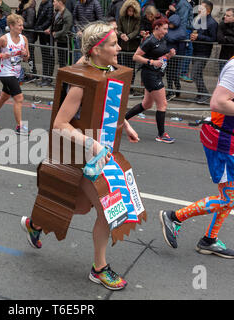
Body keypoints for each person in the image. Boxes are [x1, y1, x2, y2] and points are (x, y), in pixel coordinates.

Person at [20, 22, 140, 291]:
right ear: (97, 50)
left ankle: (34, 224)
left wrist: (126, 125)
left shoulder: (109, 71)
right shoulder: (81, 84)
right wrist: (91, 144)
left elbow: (110, 107)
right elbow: (60, 124)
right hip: (81, 157)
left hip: (102, 155)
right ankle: (99, 268)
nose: (119, 47)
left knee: (80, 207)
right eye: (113, 44)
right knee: (108, 212)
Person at [160, 17, 234, 259]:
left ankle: (209, 239)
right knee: (230, 196)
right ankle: (174, 217)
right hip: (225, 140)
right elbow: (218, 103)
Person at [125, 16, 176, 143]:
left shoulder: (161, 39)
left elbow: (161, 58)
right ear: (156, 28)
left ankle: (121, 120)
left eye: (167, 29)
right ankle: (161, 134)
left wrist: (169, 55)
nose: (166, 31)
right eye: (164, 29)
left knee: (146, 104)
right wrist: (151, 62)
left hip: (157, 74)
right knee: (162, 104)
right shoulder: (149, 41)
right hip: (150, 75)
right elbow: (135, 57)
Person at [0, 13, 30, 135]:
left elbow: (27, 58)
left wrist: (25, 53)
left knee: (4, 96)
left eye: (22, 25)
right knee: (19, 98)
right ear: (11, 26)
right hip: (5, 72)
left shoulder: (24, 39)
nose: (22, 28)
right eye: (19, 25)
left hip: (16, 72)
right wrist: (1, 55)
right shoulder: (4, 39)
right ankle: (20, 127)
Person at [190, 0, 218, 104]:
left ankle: (205, 94)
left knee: (194, 74)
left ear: (208, 11)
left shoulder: (212, 23)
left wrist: (199, 36)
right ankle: (200, 94)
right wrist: (193, 37)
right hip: (196, 50)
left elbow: (213, 39)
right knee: (198, 74)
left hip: (204, 52)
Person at [117, 0, 141, 92]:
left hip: (132, 46)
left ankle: (130, 86)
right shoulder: (121, 17)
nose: (130, 12)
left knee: (131, 68)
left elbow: (136, 30)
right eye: (129, 10)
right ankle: (122, 85)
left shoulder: (137, 19)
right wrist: (121, 34)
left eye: (132, 11)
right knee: (121, 67)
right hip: (122, 45)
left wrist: (129, 36)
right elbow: (118, 29)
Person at [165, 10, 186, 100]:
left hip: (175, 56)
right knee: (168, 74)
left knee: (173, 74)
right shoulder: (169, 29)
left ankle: (177, 88)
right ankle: (170, 91)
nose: (170, 25)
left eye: (171, 24)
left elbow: (171, 38)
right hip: (167, 55)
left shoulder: (181, 31)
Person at [47, 0, 73, 68]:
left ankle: (66, 78)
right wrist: (50, 29)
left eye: (54, 1)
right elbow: (54, 24)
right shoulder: (57, 12)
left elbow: (65, 31)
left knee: (65, 63)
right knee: (61, 63)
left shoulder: (67, 15)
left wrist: (55, 34)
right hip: (59, 41)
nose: (53, 3)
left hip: (65, 43)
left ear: (60, 2)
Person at [16, 0, 37, 80]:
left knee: (30, 55)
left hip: (29, 36)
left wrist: (19, 24)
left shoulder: (30, 9)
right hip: (25, 35)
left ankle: (33, 74)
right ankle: (30, 73)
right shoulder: (23, 7)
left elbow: (30, 24)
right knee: (26, 56)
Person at [35, 0, 53, 86]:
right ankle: (44, 77)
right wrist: (37, 28)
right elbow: (39, 18)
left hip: (47, 35)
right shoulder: (43, 4)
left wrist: (40, 28)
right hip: (42, 33)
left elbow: (49, 20)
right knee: (44, 56)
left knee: (48, 57)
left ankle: (48, 78)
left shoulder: (49, 4)